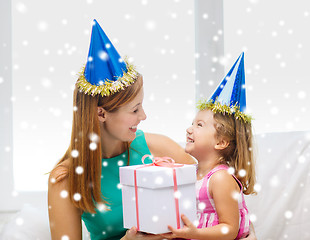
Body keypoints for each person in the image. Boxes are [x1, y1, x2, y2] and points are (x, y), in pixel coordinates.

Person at [48, 20, 257, 240]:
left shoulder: (159, 148)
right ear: (101, 114)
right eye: (135, 109)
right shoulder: (65, 179)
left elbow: (216, 206)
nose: (143, 116)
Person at [161, 53, 256, 240]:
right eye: (192, 123)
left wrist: (195, 233)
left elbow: (229, 229)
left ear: (220, 142)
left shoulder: (220, 178)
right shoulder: (195, 173)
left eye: (199, 125)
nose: (189, 129)